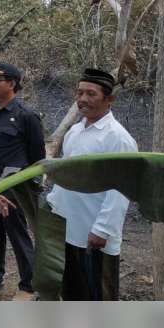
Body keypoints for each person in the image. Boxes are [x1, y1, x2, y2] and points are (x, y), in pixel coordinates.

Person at [46, 68, 137, 301]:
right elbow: (66, 177)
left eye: (91, 94)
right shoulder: (75, 131)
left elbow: (122, 189)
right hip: (68, 228)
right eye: (79, 93)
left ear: (109, 100)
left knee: (97, 294)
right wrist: (52, 205)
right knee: (73, 292)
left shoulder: (117, 137)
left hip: (94, 235)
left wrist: (102, 229)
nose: (82, 99)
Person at [0, 62, 46, 296]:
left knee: (17, 234)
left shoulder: (26, 116)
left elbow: (38, 157)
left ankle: (29, 282)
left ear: (12, 83)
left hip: (12, 189)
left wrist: (30, 188)